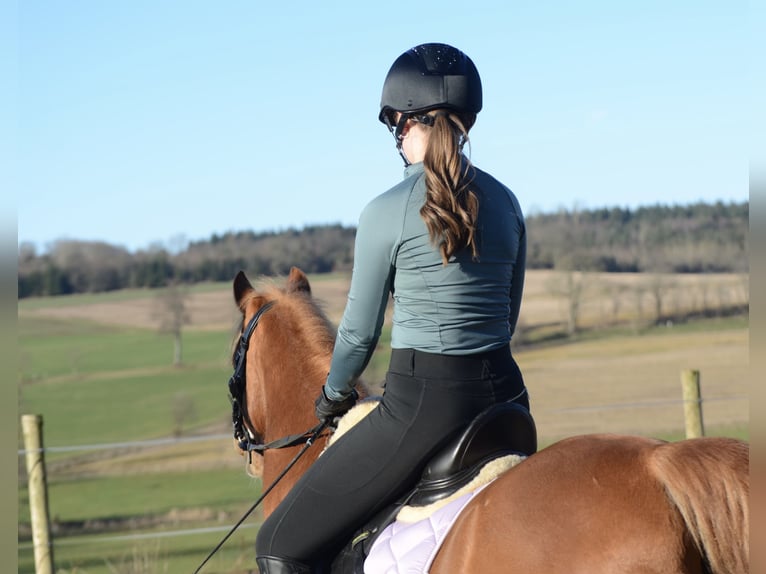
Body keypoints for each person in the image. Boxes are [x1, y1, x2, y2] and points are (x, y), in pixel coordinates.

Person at [255, 42, 529, 574]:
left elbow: (357, 335)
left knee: (277, 546)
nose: (397, 138)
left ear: (406, 123)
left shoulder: (384, 212)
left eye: (395, 127)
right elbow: (507, 315)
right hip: (508, 403)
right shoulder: (508, 202)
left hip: (424, 408)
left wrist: (333, 396)